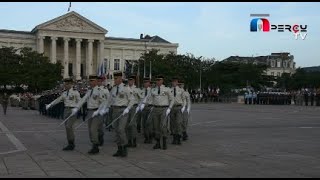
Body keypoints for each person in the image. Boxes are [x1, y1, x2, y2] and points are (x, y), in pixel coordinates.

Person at [97, 71, 134, 157]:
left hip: (123, 111)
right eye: (114, 78)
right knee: (116, 130)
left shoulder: (126, 88)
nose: (115, 80)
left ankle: (124, 147)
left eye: (116, 78)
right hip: (114, 110)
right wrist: (105, 108)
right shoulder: (113, 89)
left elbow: (132, 100)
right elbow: (109, 100)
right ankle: (119, 148)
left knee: (121, 129)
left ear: (121, 78)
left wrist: (128, 108)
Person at [73, 75, 105, 154]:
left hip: (96, 112)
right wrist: (76, 107)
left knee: (93, 129)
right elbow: (83, 100)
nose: (90, 82)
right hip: (90, 112)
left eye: (92, 81)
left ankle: (95, 146)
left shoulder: (99, 91)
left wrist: (99, 110)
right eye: (90, 81)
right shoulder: (89, 91)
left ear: (96, 81)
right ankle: (95, 142)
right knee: (90, 130)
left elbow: (104, 102)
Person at [46, 78, 81, 151]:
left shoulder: (75, 92)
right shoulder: (64, 93)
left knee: (69, 126)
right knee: (67, 127)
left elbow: (80, 102)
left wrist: (77, 109)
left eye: (67, 84)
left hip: (73, 110)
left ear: (71, 84)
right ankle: (70, 143)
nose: (66, 85)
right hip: (66, 110)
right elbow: (58, 100)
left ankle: (71, 143)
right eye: (65, 84)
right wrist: (50, 104)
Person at [150, 75, 174, 150]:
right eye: (157, 80)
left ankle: (164, 142)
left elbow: (172, 99)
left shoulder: (167, 89)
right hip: (155, 109)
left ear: (162, 81)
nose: (158, 82)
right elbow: (150, 99)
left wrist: (169, 108)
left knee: (163, 126)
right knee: (156, 126)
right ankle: (157, 143)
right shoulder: (153, 90)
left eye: (159, 80)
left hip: (164, 109)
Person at [126, 75, 143, 148]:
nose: (130, 82)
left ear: (134, 81)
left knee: (132, 124)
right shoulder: (125, 89)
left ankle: (134, 140)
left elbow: (142, 98)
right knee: (127, 125)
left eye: (131, 80)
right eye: (129, 80)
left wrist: (139, 106)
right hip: (126, 108)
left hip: (134, 107)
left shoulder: (137, 89)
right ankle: (129, 140)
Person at [170, 77, 186, 145]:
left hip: (179, 107)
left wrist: (184, 106)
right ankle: (174, 138)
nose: (174, 83)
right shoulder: (169, 90)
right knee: (172, 123)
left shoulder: (181, 90)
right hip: (172, 108)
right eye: (173, 81)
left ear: (177, 82)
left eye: (175, 82)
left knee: (178, 123)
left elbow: (184, 99)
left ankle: (179, 138)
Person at [140, 77, 153, 144]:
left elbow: (154, 100)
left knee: (149, 123)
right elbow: (139, 100)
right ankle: (146, 137)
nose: (145, 84)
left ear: (149, 83)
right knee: (144, 123)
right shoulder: (141, 91)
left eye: (147, 82)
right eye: (144, 82)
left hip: (150, 107)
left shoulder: (152, 91)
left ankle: (150, 136)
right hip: (143, 108)